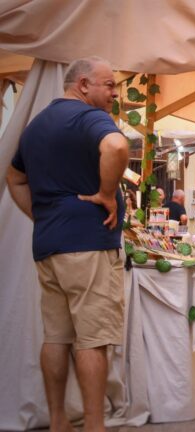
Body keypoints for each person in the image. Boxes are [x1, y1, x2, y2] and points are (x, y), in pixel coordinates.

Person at [6, 56, 128, 432]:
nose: (113, 93)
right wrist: (108, 194)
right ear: (83, 84)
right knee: (92, 339)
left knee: (56, 337)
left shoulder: (36, 125)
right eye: (108, 85)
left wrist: (43, 217)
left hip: (49, 245)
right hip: (88, 244)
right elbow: (117, 148)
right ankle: (94, 425)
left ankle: (59, 420)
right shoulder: (89, 118)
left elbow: (14, 177)